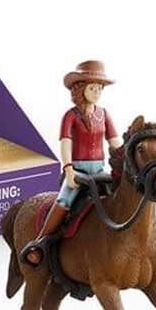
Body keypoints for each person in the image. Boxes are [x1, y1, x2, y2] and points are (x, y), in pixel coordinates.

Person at [19, 60, 123, 267]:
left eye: (99, 88)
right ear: (80, 89)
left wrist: (126, 157)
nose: (97, 92)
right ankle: (40, 242)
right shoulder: (71, 116)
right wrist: (68, 170)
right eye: (92, 88)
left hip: (100, 170)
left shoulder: (104, 114)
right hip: (78, 170)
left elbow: (115, 142)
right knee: (65, 201)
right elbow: (66, 143)